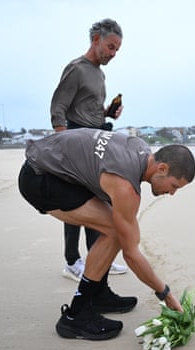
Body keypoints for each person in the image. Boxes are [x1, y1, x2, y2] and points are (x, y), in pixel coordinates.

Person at [18, 128, 195, 340]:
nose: (172, 193)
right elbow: (131, 253)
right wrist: (165, 294)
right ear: (162, 168)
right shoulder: (124, 185)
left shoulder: (140, 149)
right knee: (114, 231)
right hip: (40, 178)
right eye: (174, 185)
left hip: (54, 166)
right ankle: (75, 316)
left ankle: (98, 294)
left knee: (111, 221)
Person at [50, 18, 127, 281]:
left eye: (117, 49)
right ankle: (72, 261)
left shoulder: (99, 73)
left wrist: (109, 113)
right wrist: (64, 146)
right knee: (76, 203)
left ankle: (97, 257)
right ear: (96, 39)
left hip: (96, 140)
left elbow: (89, 109)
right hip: (76, 141)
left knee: (98, 200)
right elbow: (58, 108)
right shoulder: (77, 68)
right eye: (110, 46)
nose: (113, 53)